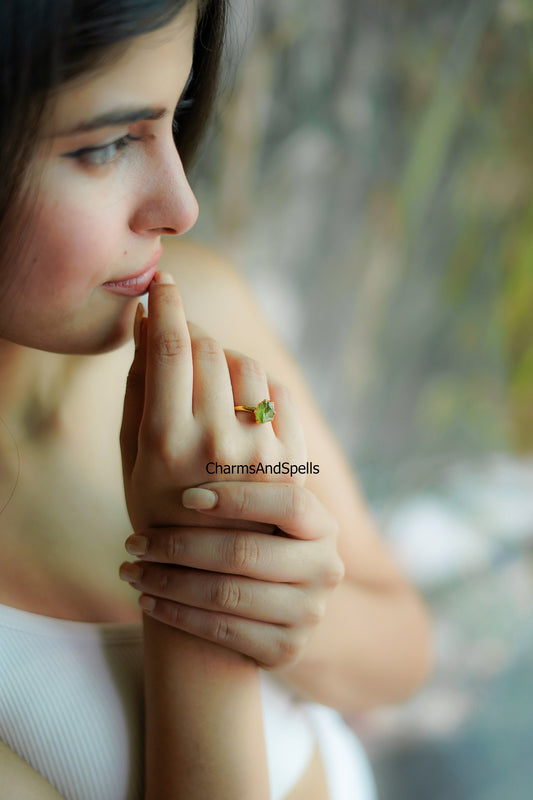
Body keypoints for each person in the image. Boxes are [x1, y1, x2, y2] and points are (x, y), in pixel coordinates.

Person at [0, 1, 433, 798]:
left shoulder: (203, 301)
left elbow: (402, 649)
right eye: (104, 145)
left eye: (177, 113)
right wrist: (199, 602)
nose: (181, 204)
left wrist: (295, 606)